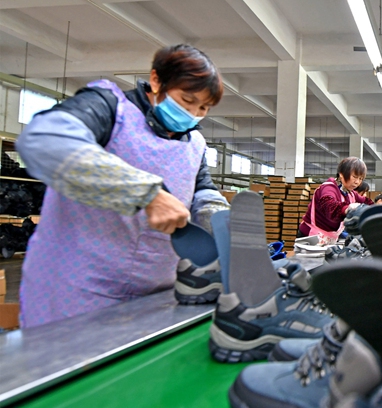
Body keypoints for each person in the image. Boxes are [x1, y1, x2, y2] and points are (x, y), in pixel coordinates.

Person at [15, 44, 228, 327]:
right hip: (78, 289)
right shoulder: (109, 108)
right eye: (187, 101)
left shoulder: (195, 142)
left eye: (203, 108)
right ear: (156, 80)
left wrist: (220, 218)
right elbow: (44, 139)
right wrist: (147, 193)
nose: (194, 113)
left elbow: (201, 187)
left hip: (157, 293)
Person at [299, 157, 373, 241]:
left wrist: (380, 209)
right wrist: (347, 209)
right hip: (311, 236)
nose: (357, 182)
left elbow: (367, 202)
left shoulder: (350, 193)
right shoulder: (329, 188)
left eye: (360, 179)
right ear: (341, 174)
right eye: (355, 177)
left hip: (328, 238)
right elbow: (329, 206)